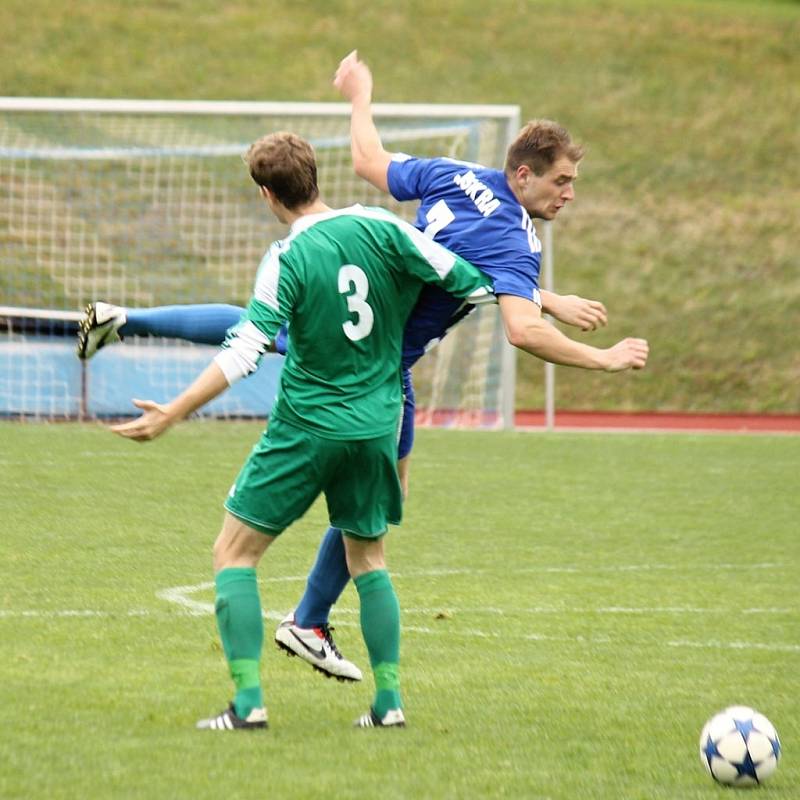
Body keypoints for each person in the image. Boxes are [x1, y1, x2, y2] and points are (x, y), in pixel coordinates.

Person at [82, 50, 649, 683]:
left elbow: (369, 164)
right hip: (376, 371)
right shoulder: (514, 240)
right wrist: (600, 357)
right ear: (523, 173)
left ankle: (129, 318)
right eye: (561, 182)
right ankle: (311, 623)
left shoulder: (457, 174)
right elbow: (521, 330)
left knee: (268, 327)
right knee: (378, 502)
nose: (569, 193)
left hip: (347, 332)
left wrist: (360, 97)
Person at [109, 130, 495, 730]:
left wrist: (174, 411)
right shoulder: (383, 228)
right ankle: (389, 705)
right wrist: (543, 300)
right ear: (316, 174)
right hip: (376, 427)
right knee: (369, 559)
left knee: (233, 554)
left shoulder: (285, 258)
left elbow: (245, 349)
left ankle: (247, 705)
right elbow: (469, 281)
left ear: (268, 194)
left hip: (306, 428)